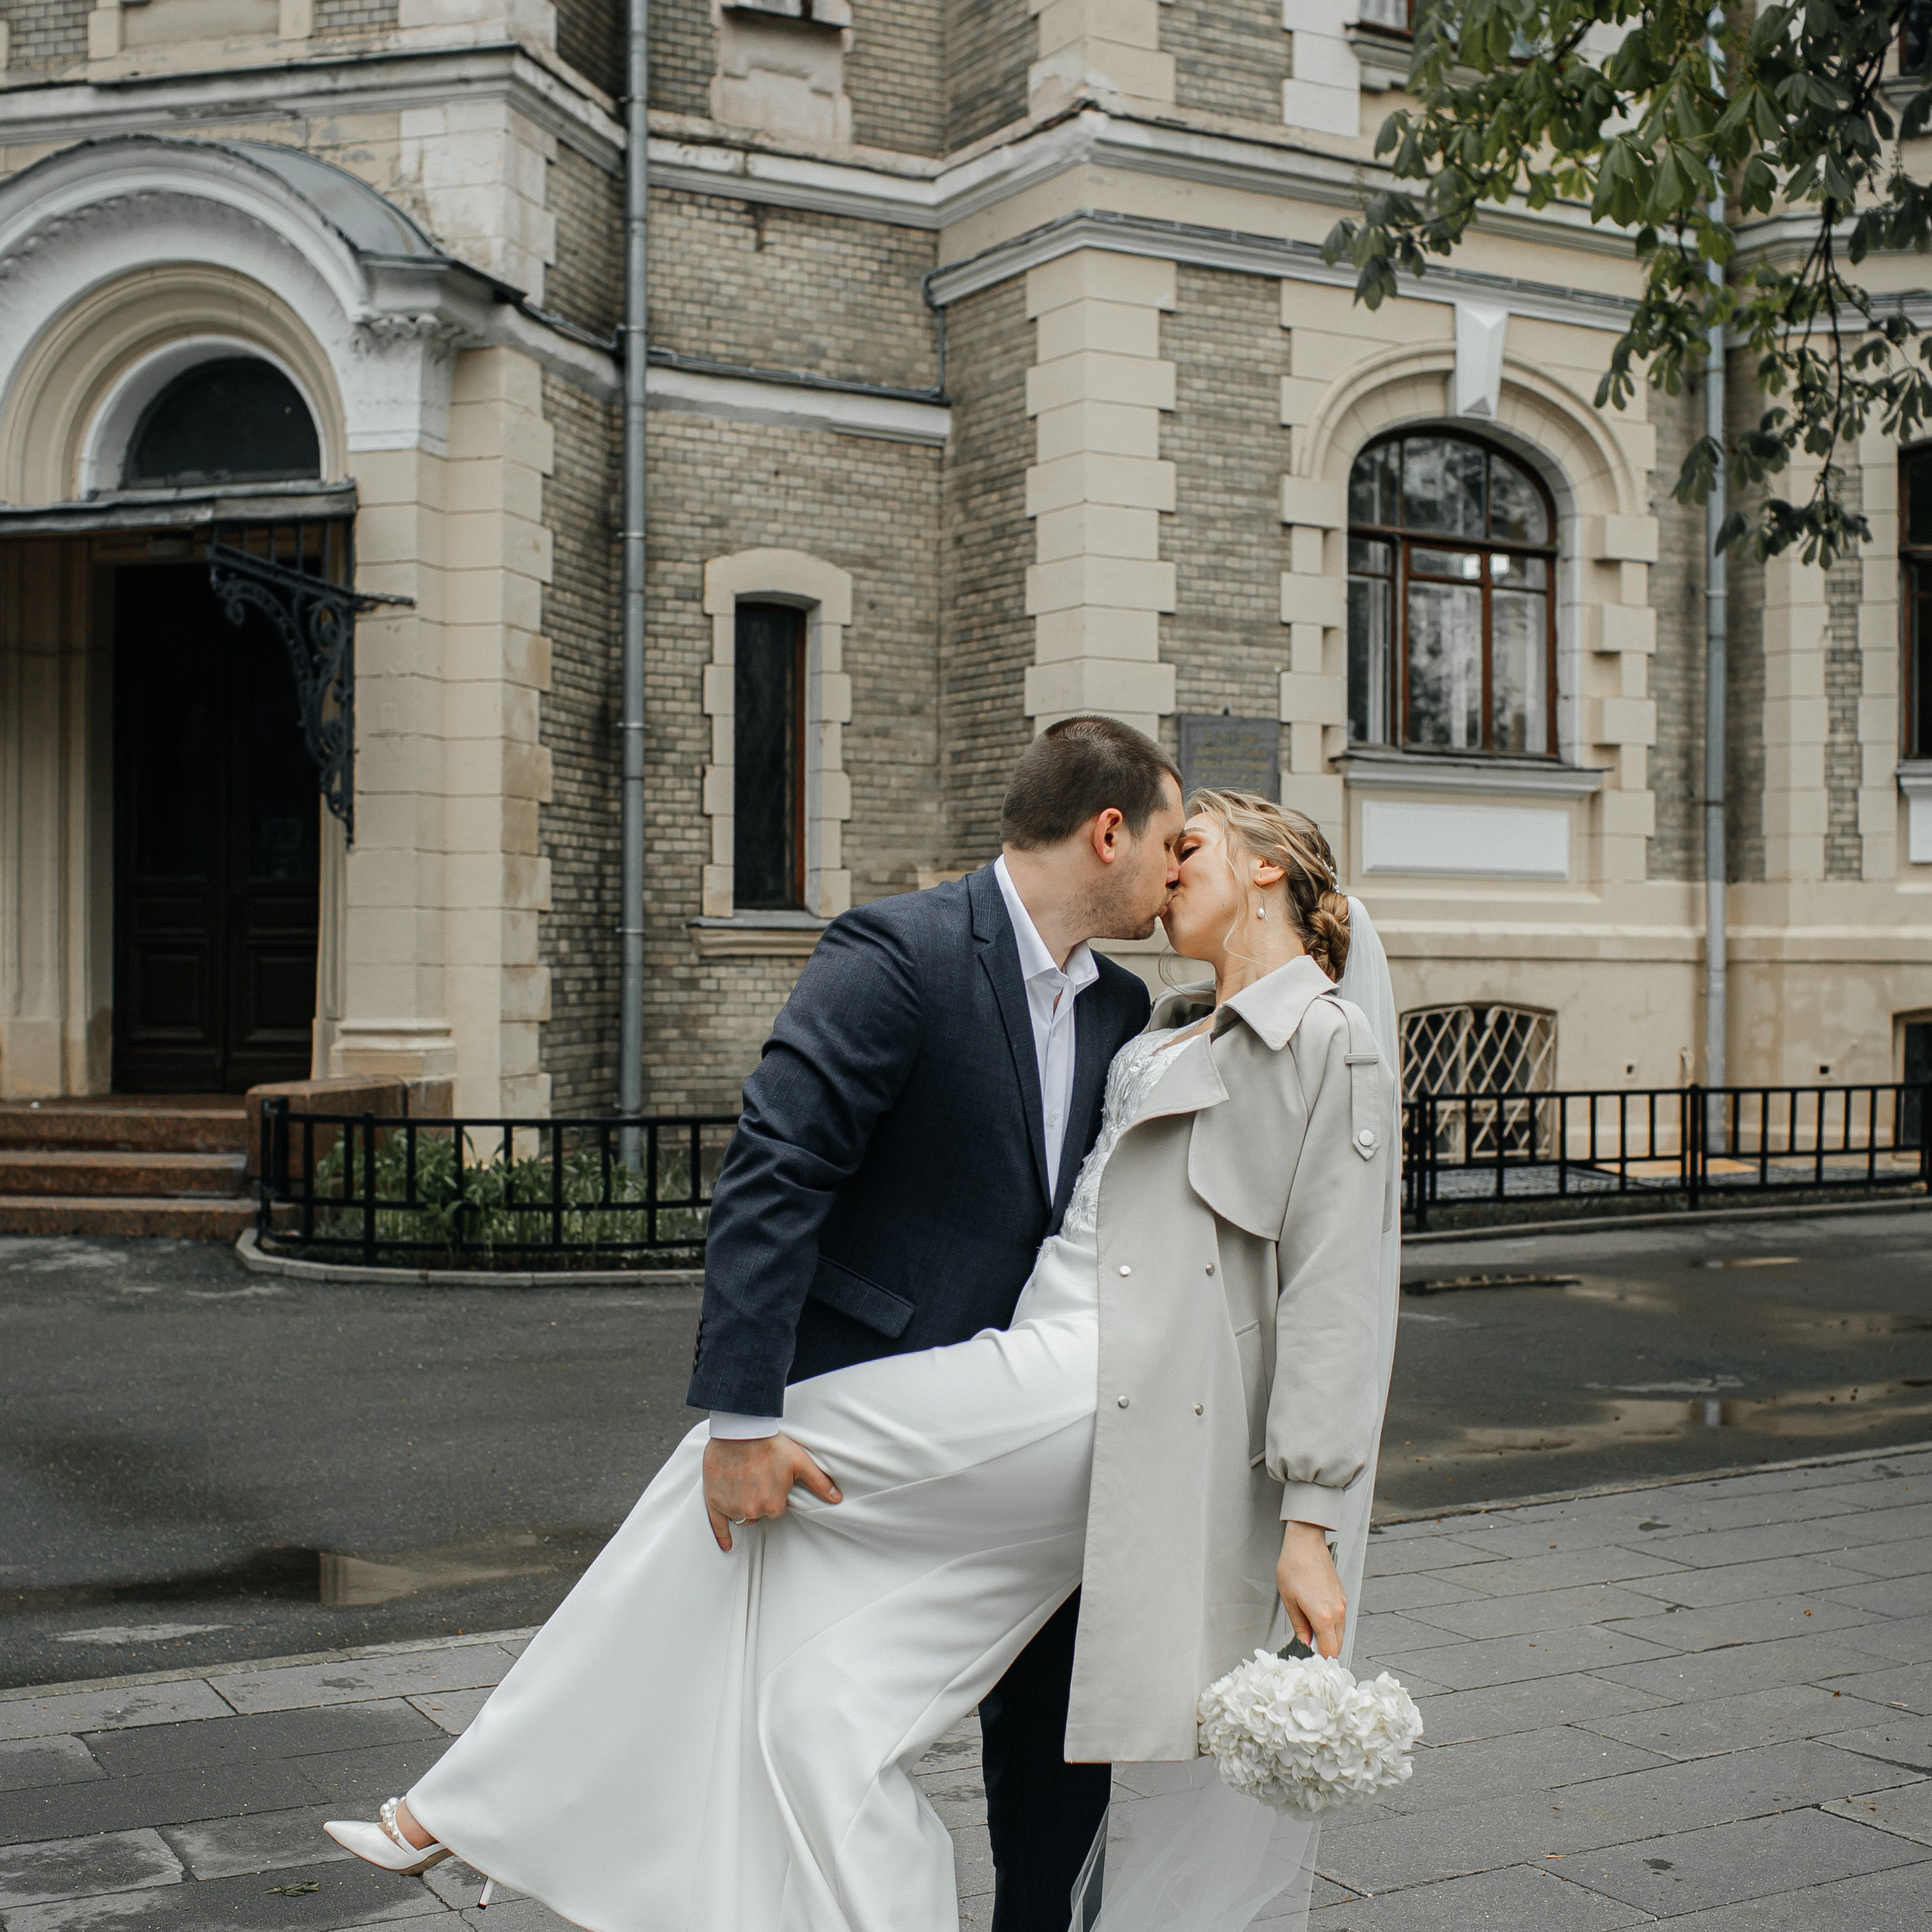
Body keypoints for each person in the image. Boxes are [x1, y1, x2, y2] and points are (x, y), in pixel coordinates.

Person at [323, 768, 1396, 1932]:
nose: (1170, 865)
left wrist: (1310, 1525)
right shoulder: (1158, 1017)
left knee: (742, 1460)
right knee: (825, 1710)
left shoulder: (1328, 1039)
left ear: (1265, 866)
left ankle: (462, 1804)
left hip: (1109, 1380)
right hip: (1044, 1366)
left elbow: (1336, 1295)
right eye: (1165, 843)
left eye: (1193, 845)